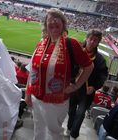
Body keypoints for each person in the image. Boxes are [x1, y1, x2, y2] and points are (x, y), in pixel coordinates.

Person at [25, 8, 93, 140]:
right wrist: (28, 94)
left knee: (54, 132)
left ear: (63, 24)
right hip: (36, 98)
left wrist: (76, 85)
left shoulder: (71, 43)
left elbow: (89, 66)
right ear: (45, 24)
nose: (54, 23)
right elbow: (33, 71)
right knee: (38, 129)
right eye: (50, 20)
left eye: (58, 20)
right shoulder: (41, 44)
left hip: (56, 101)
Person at [66, 29, 108, 139]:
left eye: (95, 40)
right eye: (91, 39)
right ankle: (69, 128)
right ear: (87, 38)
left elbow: (103, 75)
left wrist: (94, 87)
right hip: (74, 87)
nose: (92, 42)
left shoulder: (100, 59)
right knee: (71, 111)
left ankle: (74, 134)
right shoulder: (78, 51)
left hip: (86, 92)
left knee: (80, 114)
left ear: (98, 42)